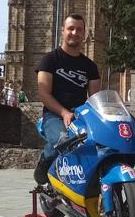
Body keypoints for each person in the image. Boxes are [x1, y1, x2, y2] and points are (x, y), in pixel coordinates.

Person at [34, 13, 101, 184]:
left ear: (84, 34)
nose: (75, 32)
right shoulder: (49, 60)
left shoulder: (90, 66)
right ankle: (46, 160)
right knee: (62, 140)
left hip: (79, 116)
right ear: (63, 31)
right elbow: (43, 93)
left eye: (79, 29)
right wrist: (64, 112)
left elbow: (95, 98)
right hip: (54, 115)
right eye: (71, 28)